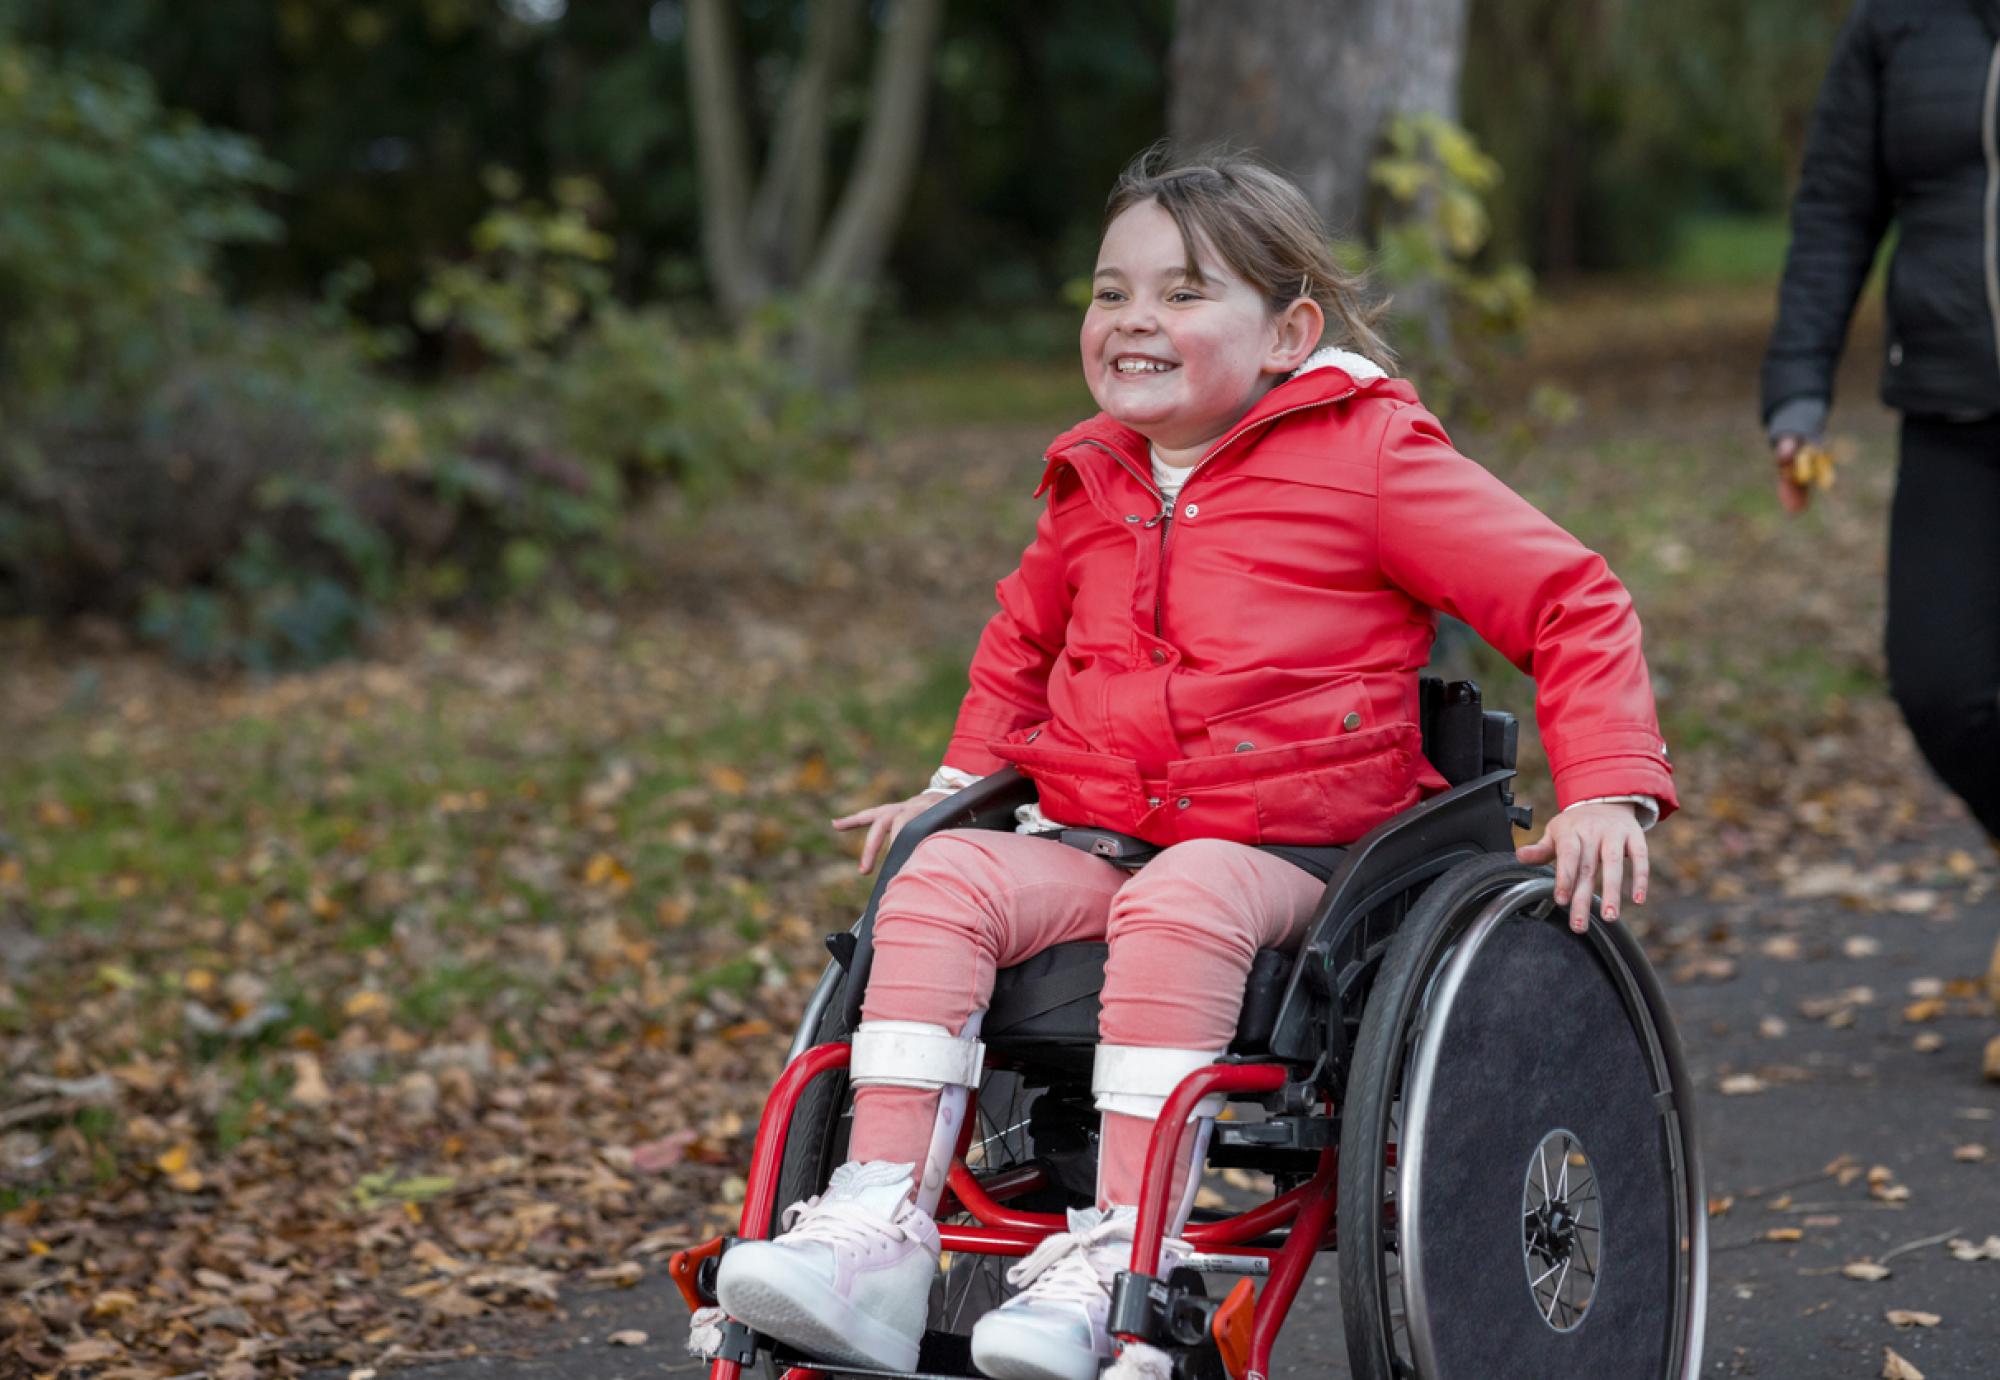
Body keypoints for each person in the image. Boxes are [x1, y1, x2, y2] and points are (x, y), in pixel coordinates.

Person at [714, 147, 1678, 1380]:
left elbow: (1569, 598)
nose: (1133, 321)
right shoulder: (1093, 478)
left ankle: (1126, 1257)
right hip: (1103, 838)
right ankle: (873, 1232)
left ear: (1287, 331)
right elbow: (1020, 644)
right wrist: (957, 789)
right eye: (1110, 291)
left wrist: (1604, 783)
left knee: (1180, 898)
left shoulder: (1368, 458)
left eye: (1181, 293)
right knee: (939, 880)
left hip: (1299, 856)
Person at [1759, 0, 2000, 1017]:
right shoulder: (1899, 23)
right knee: (1938, 682)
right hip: (1954, 406)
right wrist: (1798, 390)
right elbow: (1833, 208)